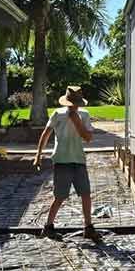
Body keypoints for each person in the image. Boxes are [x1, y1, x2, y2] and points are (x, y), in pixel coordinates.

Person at [33, 85, 102, 242]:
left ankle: (88, 227)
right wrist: (38, 155)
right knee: (60, 196)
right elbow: (45, 134)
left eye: (76, 104)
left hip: (78, 160)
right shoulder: (58, 114)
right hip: (62, 160)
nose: (74, 107)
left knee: (85, 194)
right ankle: (48, 226)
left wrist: (77, 122)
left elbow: (88, 138)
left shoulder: (84, 115)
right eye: (72, 104)